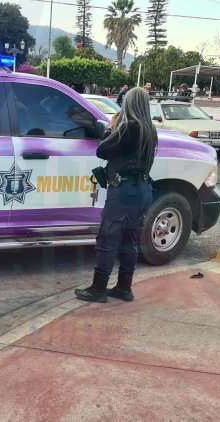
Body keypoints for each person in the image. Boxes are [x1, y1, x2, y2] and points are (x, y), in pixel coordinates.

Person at [75, 87, 157, 303]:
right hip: (142, 191)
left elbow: (103, 150)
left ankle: (98, 289)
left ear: (128, 103)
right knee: (129, 241)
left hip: (124, 193)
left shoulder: (129, 127)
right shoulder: (150, 130)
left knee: (107, 240)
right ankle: (124, 287)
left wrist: (111, 128)